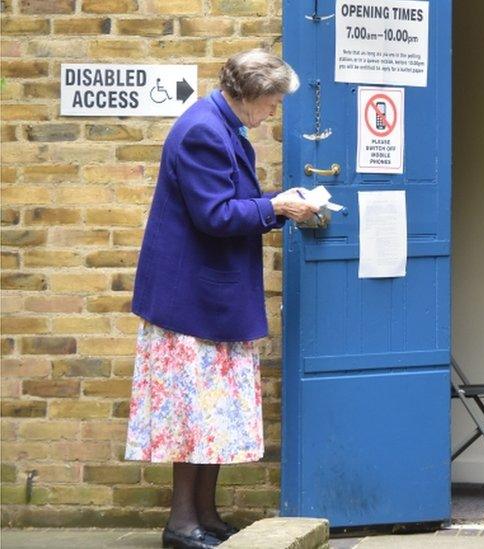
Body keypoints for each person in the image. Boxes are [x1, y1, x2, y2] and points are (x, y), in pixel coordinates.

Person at [124, 49, 318, 549]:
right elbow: (214, 216)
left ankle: (205, 516)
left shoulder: (221, 125)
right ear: (249, 95)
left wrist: (275, 205)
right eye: (272, 101)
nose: (275, 111)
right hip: (190, 303)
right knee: (192, 416)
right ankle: (181, 525)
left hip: (205, 299)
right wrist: (275, 206)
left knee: (210, 415)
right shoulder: (203, 132)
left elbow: (228, 204)